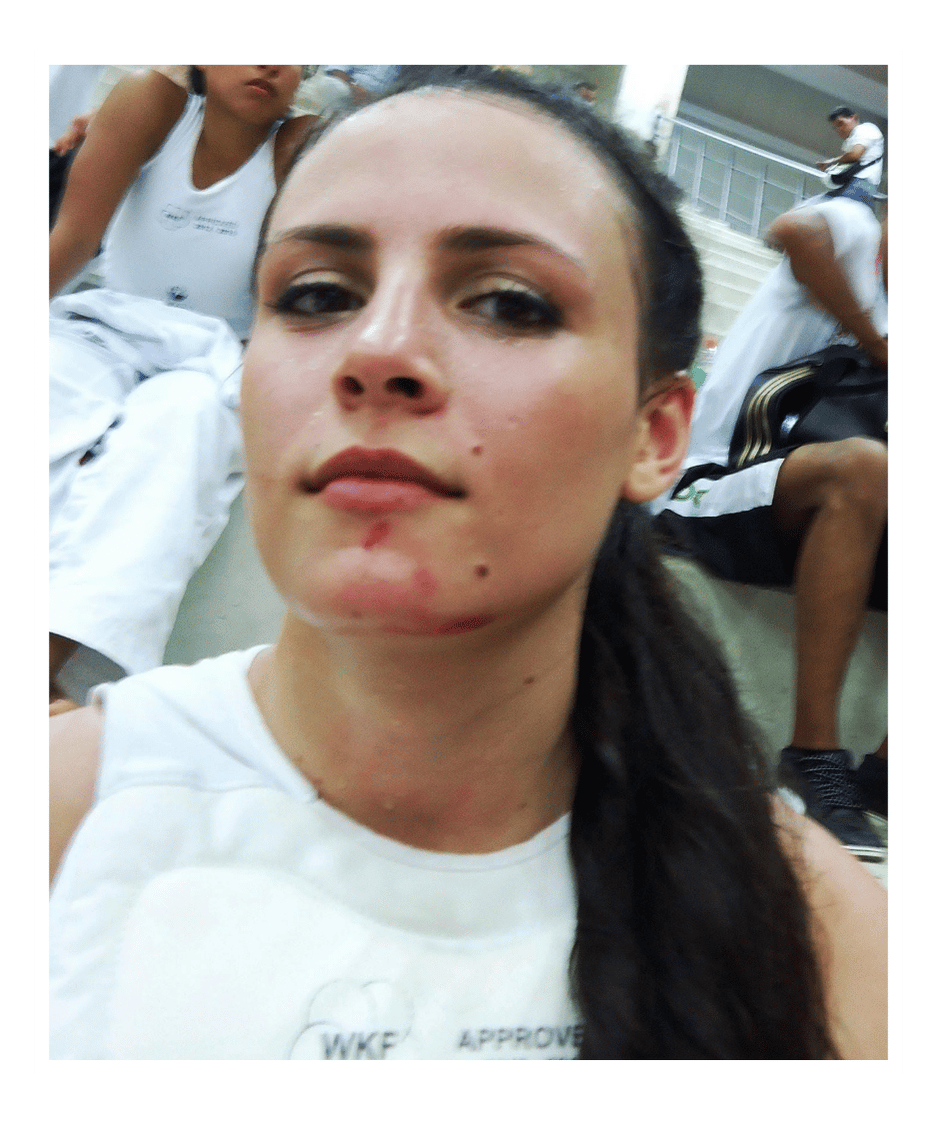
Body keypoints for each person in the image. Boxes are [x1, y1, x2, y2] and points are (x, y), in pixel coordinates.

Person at [49, 68, 886, 1062]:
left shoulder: (821, 934)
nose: (377, 350)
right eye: (315, 296)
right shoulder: (63, 818)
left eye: (508, 303)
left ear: (655, 434)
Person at [48, 65, 319, 710]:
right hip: (105, 325)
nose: (268, 62)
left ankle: (45, 664)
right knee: (50, 397)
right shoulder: (150, 103)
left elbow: (293, 294)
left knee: (179, 429)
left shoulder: (303, 146)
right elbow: (74, 238)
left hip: (217, 358)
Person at [655, 187, 888, 860]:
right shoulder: (849, 226)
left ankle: (882, 767)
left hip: (819, 510)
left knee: (873, 473)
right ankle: (813, 754)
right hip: (712, 475)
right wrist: (878, 344)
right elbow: (791, 230)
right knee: (865, 468)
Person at [816, 105, 885, 205]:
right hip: (852, 184)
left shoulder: (865, 129)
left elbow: (854, 155)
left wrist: (832, 162)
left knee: (822, 207)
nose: (839, 129)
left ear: (854, 118)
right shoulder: (849, 141)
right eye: (835, 128)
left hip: (863, 184)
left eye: (841, 123)